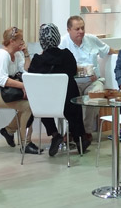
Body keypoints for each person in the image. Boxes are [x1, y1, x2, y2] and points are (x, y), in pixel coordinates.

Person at [29, 23, 90, 156]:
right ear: (57, 38)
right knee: (73, 93)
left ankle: (55, 134)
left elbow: (31, 78)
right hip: (68, 105)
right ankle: (80, 140)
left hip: (45, 107)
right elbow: (73, 71)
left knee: (41, 99)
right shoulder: (66, 55)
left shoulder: (37, 60)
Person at [0, 26, 38, 154]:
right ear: (12, 41)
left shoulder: (16, 55)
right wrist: (23, 86)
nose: (23, 42)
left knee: (30, 105)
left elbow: (26, 71)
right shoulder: (2, 55)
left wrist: (26, 53)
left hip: (3, 91)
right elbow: (2, 80)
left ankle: (9, 131)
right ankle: (25, 143)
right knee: (28, 106)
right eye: (20, 40)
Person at [59, 15, 112, 137]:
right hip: (73, 82)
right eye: (77, 29)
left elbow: (109, 50)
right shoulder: (62, 43)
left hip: (93, 81)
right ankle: (72, 131)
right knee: (70, 97)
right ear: (68, 30)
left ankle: (86, 132)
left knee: (96, 94)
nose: (81, 31)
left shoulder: (91, 39)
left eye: (82, 28)